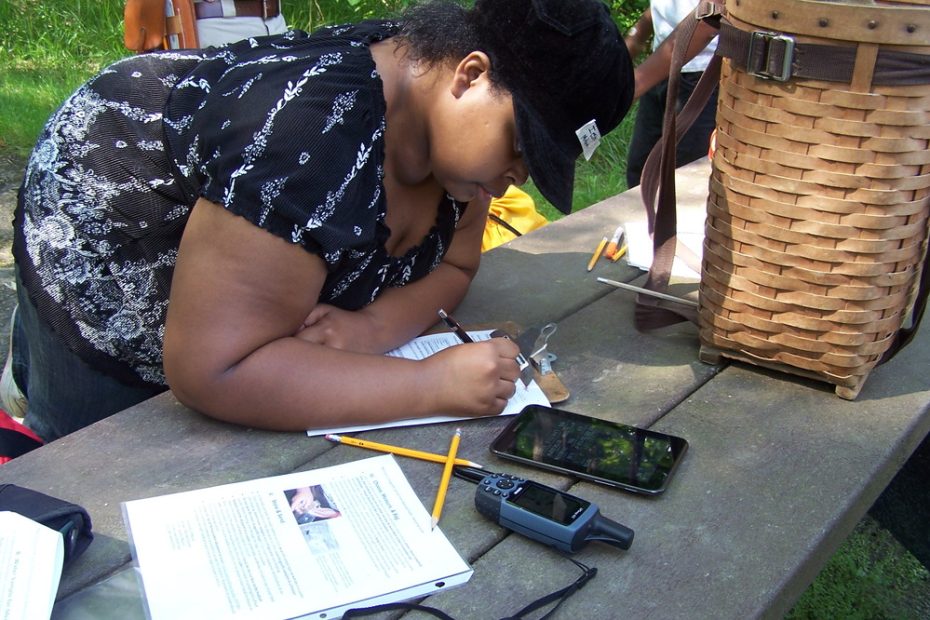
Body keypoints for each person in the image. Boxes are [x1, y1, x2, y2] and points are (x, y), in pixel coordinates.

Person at [6, 0, 634, 442]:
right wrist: (426, 385)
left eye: (538, 164)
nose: (516, 178)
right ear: (470, 75)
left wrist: (373, 327)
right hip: (116, 225)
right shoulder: (306, 135)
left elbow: (458, 261)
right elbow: (211, 370)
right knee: (94, 454)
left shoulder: (457, 153)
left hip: (242, 264)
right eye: (521, 146)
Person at [623, 0, 719, 188]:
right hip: (661, 68)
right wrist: (636, 38)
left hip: (702, 76)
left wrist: (636, 84)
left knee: (685, 181)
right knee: (641, 173)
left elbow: (709, 19)